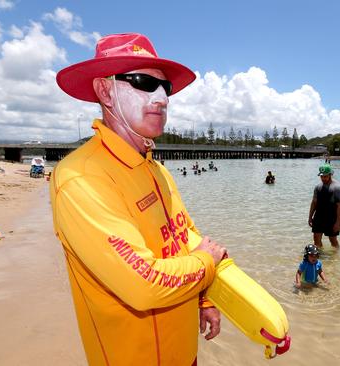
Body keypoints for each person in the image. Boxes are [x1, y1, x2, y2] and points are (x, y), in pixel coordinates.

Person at [50, 33, 227, 366]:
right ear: (104, 90)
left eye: (166, 88)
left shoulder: (158, 171)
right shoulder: (80, 178)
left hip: (185, 352)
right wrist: (207, 264)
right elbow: (145, 284)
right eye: (143, 82)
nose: (162, 98)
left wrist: (204, 300)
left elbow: (184, 239)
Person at [308, 163, 340, 248]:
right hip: (318, 217)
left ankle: (335, 258)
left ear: (330, 175)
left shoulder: (337, 187)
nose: (323, 178)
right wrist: (310, 217)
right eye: (321, 176)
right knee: (316, 239)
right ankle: (319, 256)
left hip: (331, 218)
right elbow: (314, 202)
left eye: (325, 176)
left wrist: (338, 222)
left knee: (333, 240)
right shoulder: (317, 187)